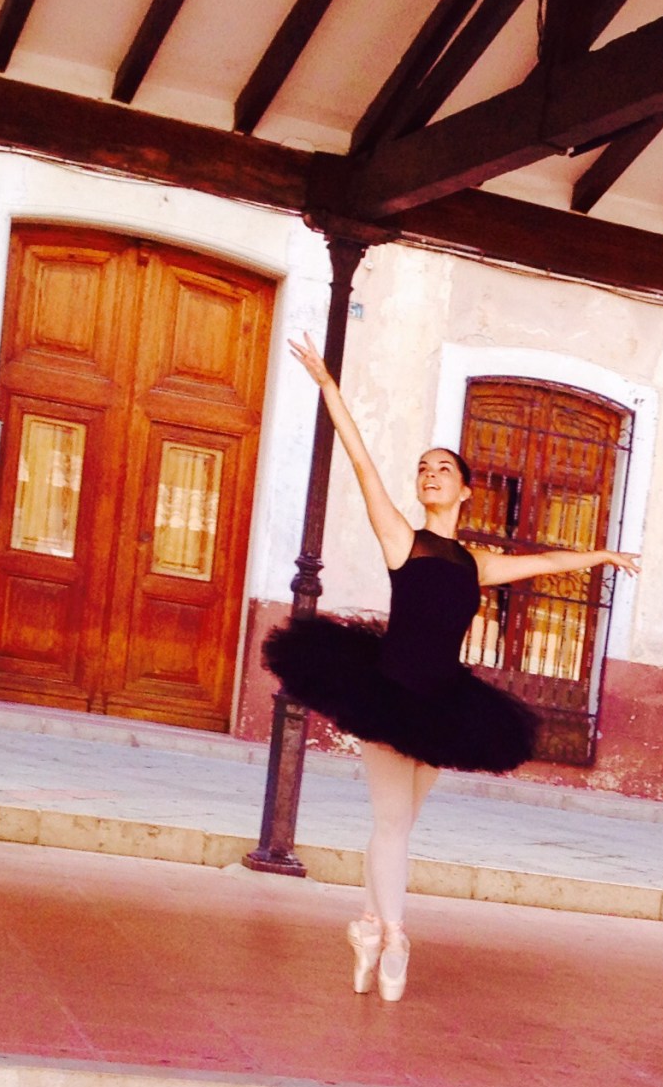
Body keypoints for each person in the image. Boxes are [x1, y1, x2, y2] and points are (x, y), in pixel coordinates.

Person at [264, 333, 640, 1003]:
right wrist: (328, 387)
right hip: (385, 692)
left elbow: (546, 562)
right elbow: (360, 461)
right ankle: (394, 936)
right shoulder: (401, 539)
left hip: (443, 704)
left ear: (465, 490)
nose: (429, 475)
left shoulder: (476, 564)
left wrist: (603, 557)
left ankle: (368, 925)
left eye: (442, 469)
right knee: (389, 823)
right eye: (422, 469)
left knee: (399, 827)